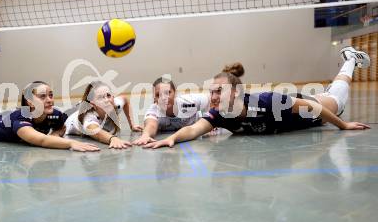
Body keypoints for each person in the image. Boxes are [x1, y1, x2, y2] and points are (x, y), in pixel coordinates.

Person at [144, 47, 371, 149]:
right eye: (211, 91)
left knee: (337, 99)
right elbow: (193, 130)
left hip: (314, 114)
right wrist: (172, 138)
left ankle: (350, 59)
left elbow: (312, 107)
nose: (212, 97)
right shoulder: (218, 116)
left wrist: (343, 125)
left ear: (235, 93)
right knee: (331, 92)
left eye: (218, 91)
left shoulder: (266, 101)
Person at [0, 64, 99, 152]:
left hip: (3, 117)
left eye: (50, 95)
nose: (49, 100)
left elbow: (62, 125)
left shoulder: (54, 114)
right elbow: (41, 141)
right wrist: (71, 143)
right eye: (42, 97)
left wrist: (56, 134)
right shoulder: (21, 119)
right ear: (30, 102)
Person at [132, 76, 210, 145]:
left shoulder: (188, 101)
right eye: (158, 95)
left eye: (167, 92)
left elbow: (210, 99)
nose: (163, 98)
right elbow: (151, 125)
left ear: (175, 93)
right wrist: (145, 136)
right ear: (154, 98)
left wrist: (209, 119)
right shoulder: (154, 111)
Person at [65, 81, 143, 149]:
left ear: (113, 97)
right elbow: (97, 133)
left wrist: (132, 125)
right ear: (93, 104)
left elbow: (125, 99)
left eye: (108, 95)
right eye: (100, 97)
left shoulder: (115, 105)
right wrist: (113, 139)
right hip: (68, 117)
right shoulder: (89, 118)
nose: (107, 100)